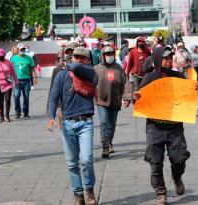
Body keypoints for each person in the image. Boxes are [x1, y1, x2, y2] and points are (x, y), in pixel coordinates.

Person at [124, 46, 198, 205]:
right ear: (158, 59)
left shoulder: (178, 76)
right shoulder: (149, 78)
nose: (168, 60)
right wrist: (136, 97)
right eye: (165, 58)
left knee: (179, 159)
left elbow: (187, 96)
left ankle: (177, 177)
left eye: (170, 58)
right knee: (155, 162)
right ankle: (161, 192)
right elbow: (139, 100)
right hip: (155, 127)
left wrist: (195, 90)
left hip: (175, 126)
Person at [48, 47, 97, 205]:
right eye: (76, 56)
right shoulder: (61, 75)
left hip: (85, 122)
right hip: (67, 122)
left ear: (88, 60)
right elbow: (54, 96)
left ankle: (89, 189)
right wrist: (51, 117)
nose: (79, 60)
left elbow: (76, 67)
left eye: (83, 57)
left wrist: (70, 63)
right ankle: (78, 194)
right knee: (71, 162)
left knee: (87, 158)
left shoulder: (90, 72)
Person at [94, 45, 126, 158]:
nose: (109, 56)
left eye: (111, 54)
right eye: (107, 54)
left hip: (115, 101)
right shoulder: (97, 69)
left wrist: (125, 97)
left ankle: (110, 141)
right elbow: (92, 84)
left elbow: (125, 83)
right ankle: (105, 146)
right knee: (104, 123)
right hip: (101, 101)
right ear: (103, 55)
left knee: (112, 124)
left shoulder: (118, 68)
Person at [0, 48, 19, 122]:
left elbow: (14, 72)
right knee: (0, 101)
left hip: (8, 84)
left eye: (2, 56)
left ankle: (7, 116)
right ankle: (2, 116)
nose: (1, 57)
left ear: (4, 55)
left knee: (8, 99)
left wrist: (16, 81)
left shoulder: (9, 62)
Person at [10, 43, 37, 119]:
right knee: (16, 96)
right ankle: (17, 112)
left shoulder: (29, 58)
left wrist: (34, 78)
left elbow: (32, 69)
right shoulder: (13, 58)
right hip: (17, 80)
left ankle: (26, 112)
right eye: (21, 49)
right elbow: (10, 69)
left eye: (24, 49)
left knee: (26, 96)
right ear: (18, 50)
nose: (23, 50)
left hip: (26, 80)